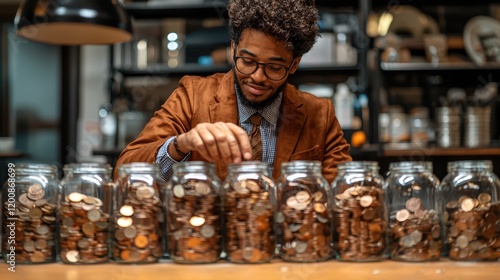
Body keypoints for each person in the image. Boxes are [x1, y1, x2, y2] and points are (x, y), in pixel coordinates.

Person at [115, 0, 352, 183]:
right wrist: (180, 145)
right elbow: (125, 171)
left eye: (275, 67)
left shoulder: (319, 114)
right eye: (247, 61)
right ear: (233, 48)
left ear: (294, 64)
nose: (257, 77)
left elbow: (343, 189)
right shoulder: (193, 95)